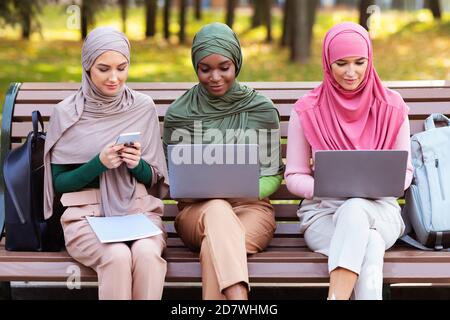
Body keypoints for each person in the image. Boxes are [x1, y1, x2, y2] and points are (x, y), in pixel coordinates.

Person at [284, 22, 413, 300]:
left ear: (370, 59)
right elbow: (294, 176)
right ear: (327, 63)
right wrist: (328, 187)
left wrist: (382, 186)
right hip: (323, 216)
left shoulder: (392, 107)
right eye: (341, 63)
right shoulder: (307, 109)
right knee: (370, 244)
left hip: (381, 213)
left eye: (359, 62)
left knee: (356, 209)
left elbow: (406, 171)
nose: (351, 72)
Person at [43, 26, 169, 300]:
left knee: (147, 255)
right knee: (117, 256)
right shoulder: (67, 113)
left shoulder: (142, 107)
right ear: (88, 67)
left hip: (137, 210)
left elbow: (154, 179)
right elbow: (59, 183)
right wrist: (98, 163)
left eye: (122, 68)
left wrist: (137, 165)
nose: (114, 78)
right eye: (104, 69)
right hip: (84, 215)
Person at [163, 22, 284, 300]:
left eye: (224, 67)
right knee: (216, 209)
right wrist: (211, 194)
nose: (215, 77)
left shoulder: (261, 110)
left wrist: (241, 190)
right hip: (196, 215)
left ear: (237, 63)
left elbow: (273, 175)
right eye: (205, 69)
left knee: (214, 247)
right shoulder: (180, 114)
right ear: (195, 67)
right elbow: (173, 177)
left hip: (251, 211)